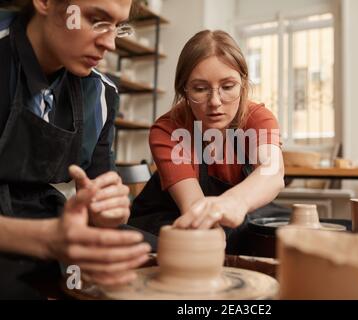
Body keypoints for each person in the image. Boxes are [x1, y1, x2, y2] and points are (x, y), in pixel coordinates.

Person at [0, 0, 151, 299]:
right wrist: (47, 241)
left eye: (118, 27)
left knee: (152, 256)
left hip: (47, 215)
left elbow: (100, 189)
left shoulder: (102, 94)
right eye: (97, 19)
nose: (110, 43)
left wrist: (107, 211)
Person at [131, 30, 287, 254]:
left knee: (285, 233)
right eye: (200, 89)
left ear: (243, 83)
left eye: (227, 86)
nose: (215, 102)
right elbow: (194, 208)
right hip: (173, 221)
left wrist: (235, 202)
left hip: (233, 216)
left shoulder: (257, 117)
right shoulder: (168, 129)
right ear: (184, 89)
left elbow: (272, 172)